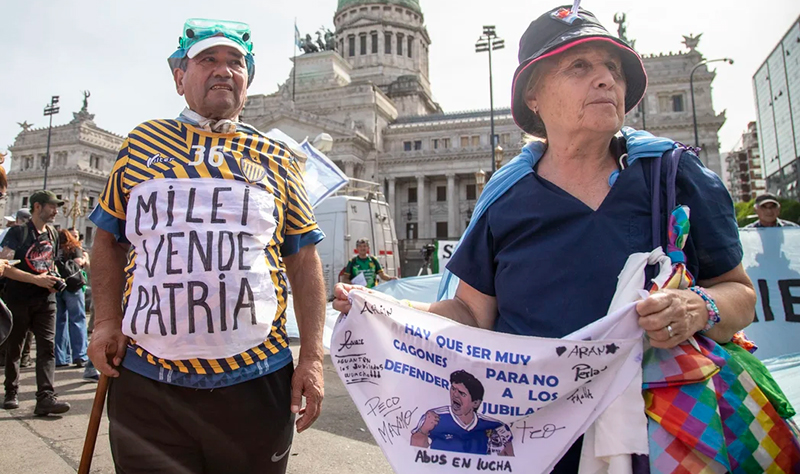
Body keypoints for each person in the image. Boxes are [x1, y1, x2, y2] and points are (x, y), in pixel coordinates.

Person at [335, 6, 757, 472]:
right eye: (580, 66)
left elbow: (739, 292)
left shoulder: (675, 175)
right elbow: (471, 314)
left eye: (613, 68)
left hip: (665, 433)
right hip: (537, 440)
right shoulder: (505, 198)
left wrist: (697, 307)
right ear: (533, 95)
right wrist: (384, 309)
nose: (605, 80)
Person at [88, 18, 326, 474]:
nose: (223, 70)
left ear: (248, 80)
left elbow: (303, 257)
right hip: (147, 380)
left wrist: (312, 357)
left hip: (255, 380)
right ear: (180, 77)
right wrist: (104, 321)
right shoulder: (140, 144)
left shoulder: (276, 156)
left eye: (236, 62)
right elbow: (107, 238)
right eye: (207, 60)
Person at [0, 190, 70, 415]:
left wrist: (55, 278)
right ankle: (11, 391)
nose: (56, 211)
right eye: (51, 206)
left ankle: (45, 398)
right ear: (37, 207)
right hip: (19, 299)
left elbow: (52, 263)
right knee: (16, 347)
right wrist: (35, 280)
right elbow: (4, 266)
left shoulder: (53, 233)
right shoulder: (17, 233)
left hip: (46, 300)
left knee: (47, 347)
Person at [411, 370, 513, 456]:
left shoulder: (495, 426)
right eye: (453, 389)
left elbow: (509, 463)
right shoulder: (434, 417)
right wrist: (423, 431)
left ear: (476, 403)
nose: (455, 394)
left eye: (461, 393)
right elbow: (413, 454)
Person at [54, 229, 88, 368]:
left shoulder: (55, 248)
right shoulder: (74, 248)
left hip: (58, 285)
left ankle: (61, 358)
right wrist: (85, 259)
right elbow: (79, 262)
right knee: (77, 319)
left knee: (59, 322)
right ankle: (80, 355)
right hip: (73, 287)